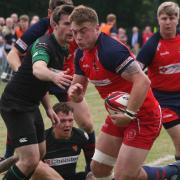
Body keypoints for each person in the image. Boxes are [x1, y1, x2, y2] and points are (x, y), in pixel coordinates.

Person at [68, 5, 180, 180]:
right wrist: (75, 92)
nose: (78, 37)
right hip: (118, 115)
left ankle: (172, 171)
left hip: (144, 116)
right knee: (98, 169)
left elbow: (143, 81)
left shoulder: (110, 50)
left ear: (97, 28)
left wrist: (129, 113)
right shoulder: (80, 55)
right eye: (74, 32)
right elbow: (78, 88)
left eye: (83, 31)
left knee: (125, 175)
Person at [5, 0, 95, 164]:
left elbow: (88, 52)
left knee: (87, 123)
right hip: (42, 75)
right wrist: (25, 79)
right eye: (59, 8)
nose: (71, 27)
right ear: (51, 15)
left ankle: (92, 169)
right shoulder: (41, 29)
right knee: (22, 120)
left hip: (64, 78)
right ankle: (9, 155)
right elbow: (13, 54)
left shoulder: (76, 29)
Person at [0, 5, 74, 179]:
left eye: (74, 24)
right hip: (15, 104)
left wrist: (48, 108)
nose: (72, 28)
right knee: (30, 159)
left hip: (31, 104)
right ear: (54, 25)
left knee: (38, 153)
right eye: (67, 23)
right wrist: (54, 77)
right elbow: (38, 70)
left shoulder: (62, 48)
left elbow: (41, 83)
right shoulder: (44, 44)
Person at [0, 103, 94, 180]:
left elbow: (91, 159)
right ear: (53, 120)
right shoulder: (42, 140)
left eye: (70, 120)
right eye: (63, 121)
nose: (67, 125)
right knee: (38, 165)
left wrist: (90, 172)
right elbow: (21, 160)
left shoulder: (81, 136)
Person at [137, 2, 180, 161]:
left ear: (177, 19)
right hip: (163, 101)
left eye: (171, 17)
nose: (168, 22)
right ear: (158, 20)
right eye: (164, 18)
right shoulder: (152, 45)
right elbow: (135, 71)